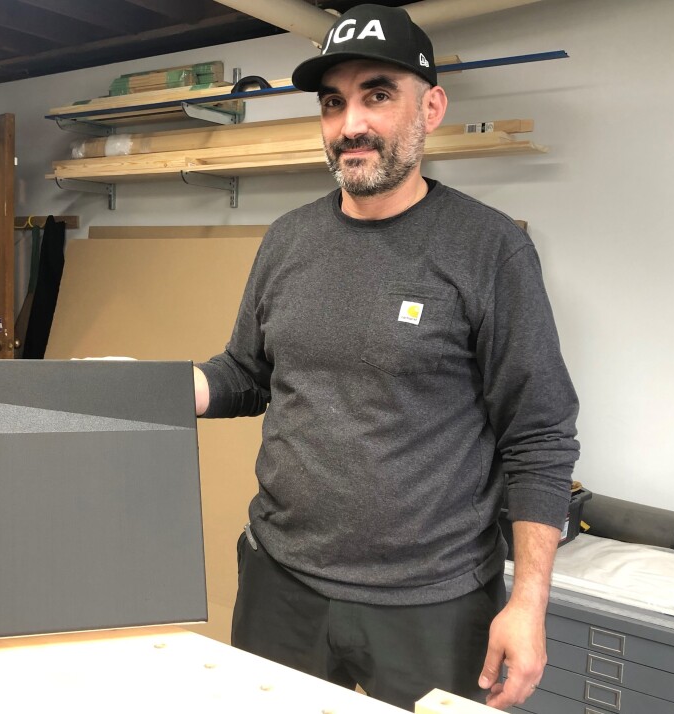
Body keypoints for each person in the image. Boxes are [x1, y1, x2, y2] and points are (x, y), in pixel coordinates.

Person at [193, 4, 579, 711]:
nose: (351, 125)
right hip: (282, 585)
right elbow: (248, 374)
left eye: (377, 95)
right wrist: (172, 387)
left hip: (433, 606)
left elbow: (540, 434)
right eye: (333, 103)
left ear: (430, 107)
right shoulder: (287, 239)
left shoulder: (489, 249)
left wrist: (528, 603)